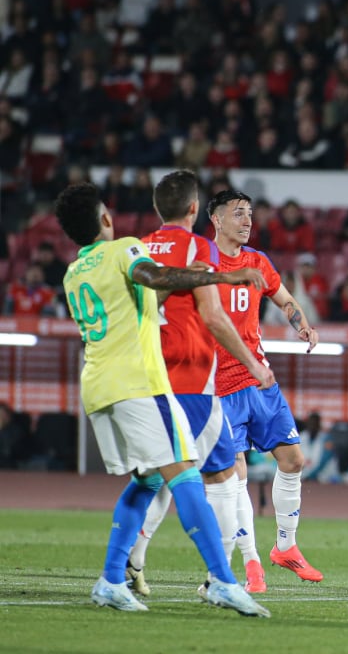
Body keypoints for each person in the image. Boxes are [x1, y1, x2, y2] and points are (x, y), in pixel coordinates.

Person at [53, 182, 268, 616]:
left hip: (98, 388)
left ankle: (113, 578)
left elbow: (151, 296)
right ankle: (223, 582)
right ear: (106, 220)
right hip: (138, 386)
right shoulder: (125, 250)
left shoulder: (75, 270)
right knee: (187, 477)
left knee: (148, 480)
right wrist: (225, 275)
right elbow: (154, 277)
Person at [125, 170, 276, 597]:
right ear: (195, 209)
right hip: (191, 380)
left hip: (145, 379)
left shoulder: (136, 249)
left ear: (158, 209)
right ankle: (221, 579)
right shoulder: (198, 247)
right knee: (225, 478)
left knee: (155, 473)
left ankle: (130, 561)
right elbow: (212, 316)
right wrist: (254, 364)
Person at [208, 189, 324, 592]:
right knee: (234, 476)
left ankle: (285, 548)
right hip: (220, 387)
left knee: (293, 460)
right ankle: (250, 562)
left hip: (260, 380)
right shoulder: (202, 263)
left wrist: (302, 324)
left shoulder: (258, 261)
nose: (247, 221)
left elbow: (284, 298)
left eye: (250, 214)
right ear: (216, 219)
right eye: (238, 214)